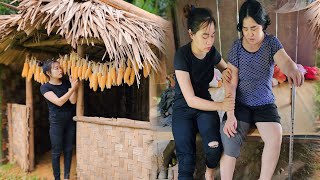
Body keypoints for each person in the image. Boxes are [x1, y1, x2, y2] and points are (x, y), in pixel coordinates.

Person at [220, 1, 304, 180]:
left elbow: (286, 62)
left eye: (254, 28)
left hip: (264, 102)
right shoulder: (236, 48)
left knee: (275, 136)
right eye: (245, 28)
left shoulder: (271, 43)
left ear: (263, 25)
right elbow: (231, 83)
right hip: (240, 102)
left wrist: (293, 70)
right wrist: (230, 114)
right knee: (230, 138)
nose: (249, 33)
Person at [172, 5, 235, 180]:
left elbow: (226, 69)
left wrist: (229, 73)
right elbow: (190, 100)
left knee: (214, 148)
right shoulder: (182, 56)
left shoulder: (211, 52)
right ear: (192, 34)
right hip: (183, 108)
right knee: (186, 162)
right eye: (205, 36)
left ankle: (209, 174)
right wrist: (221, 105)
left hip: (204, 106)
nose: (209, 41)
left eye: (213, 35)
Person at [40, 59, 79, 180]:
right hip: (56, 122)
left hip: (69, 121)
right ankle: (57, 178)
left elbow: (73, 101)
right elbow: (59, 102)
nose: (60, 70)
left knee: (68, 150)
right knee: (56, 151)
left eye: (60, 67)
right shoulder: (45, 87)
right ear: (48, 73)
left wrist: (72, 87)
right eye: (56, 68)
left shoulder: (67, 83)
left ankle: (66, 177)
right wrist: (73, 88)